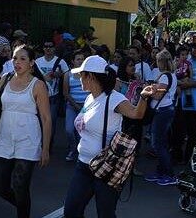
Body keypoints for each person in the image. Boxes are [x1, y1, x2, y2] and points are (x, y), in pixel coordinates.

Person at [63, 55, 155, 218]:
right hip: (83, 165)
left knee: (105, 214)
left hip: (106, 167)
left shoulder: (114, 98)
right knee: (71, 211)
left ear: (91, 76)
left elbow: (137, 114)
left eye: (81, 75)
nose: (79, 79)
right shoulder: (89, 98)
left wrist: (143, 96)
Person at [0, 45, 51, 218]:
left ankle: (23, 212)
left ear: (31, 63)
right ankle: (24, 207)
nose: (17, 62)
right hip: (4, 137)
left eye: (22, 59)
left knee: (20, 185)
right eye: (15, 58)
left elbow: (46, 118)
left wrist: (45, 148)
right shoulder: (5, 78)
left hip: (28, 140)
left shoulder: (38, 85)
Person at [145, 50, 179, 186]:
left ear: (162, 62)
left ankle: (169, 174)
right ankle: (161, 171)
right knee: (162, 143)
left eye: (158, 60)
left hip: (162, 111)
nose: (156, 63)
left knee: (157, 143)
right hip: (166, 110)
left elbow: (158, 95)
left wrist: (147, 90)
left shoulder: (165, 77)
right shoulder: (172, 75)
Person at [36, 41, 69, 151]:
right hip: (39, 96)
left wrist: (59, 75)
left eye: (50, 46)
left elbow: (67, 75)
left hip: (53, 97)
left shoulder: (60, 62)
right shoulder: (37, 61)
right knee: (39, 122)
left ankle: (48, 145)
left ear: (54, 48)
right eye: (46, 46)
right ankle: (41, 145)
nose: (48, 48)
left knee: (51, 122)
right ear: (43, 48)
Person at [63, 51, 89, 162]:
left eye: (82, 59)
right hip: (72, 106)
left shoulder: (88, 74)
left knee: (82, 131)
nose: (80, 61)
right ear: (73, 61)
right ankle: (73, 148)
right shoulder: (67, 75)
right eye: (78, 59)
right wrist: (75, 105)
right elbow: (65, 93)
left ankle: (80, 152)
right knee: (69, 129)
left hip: (86, 107)